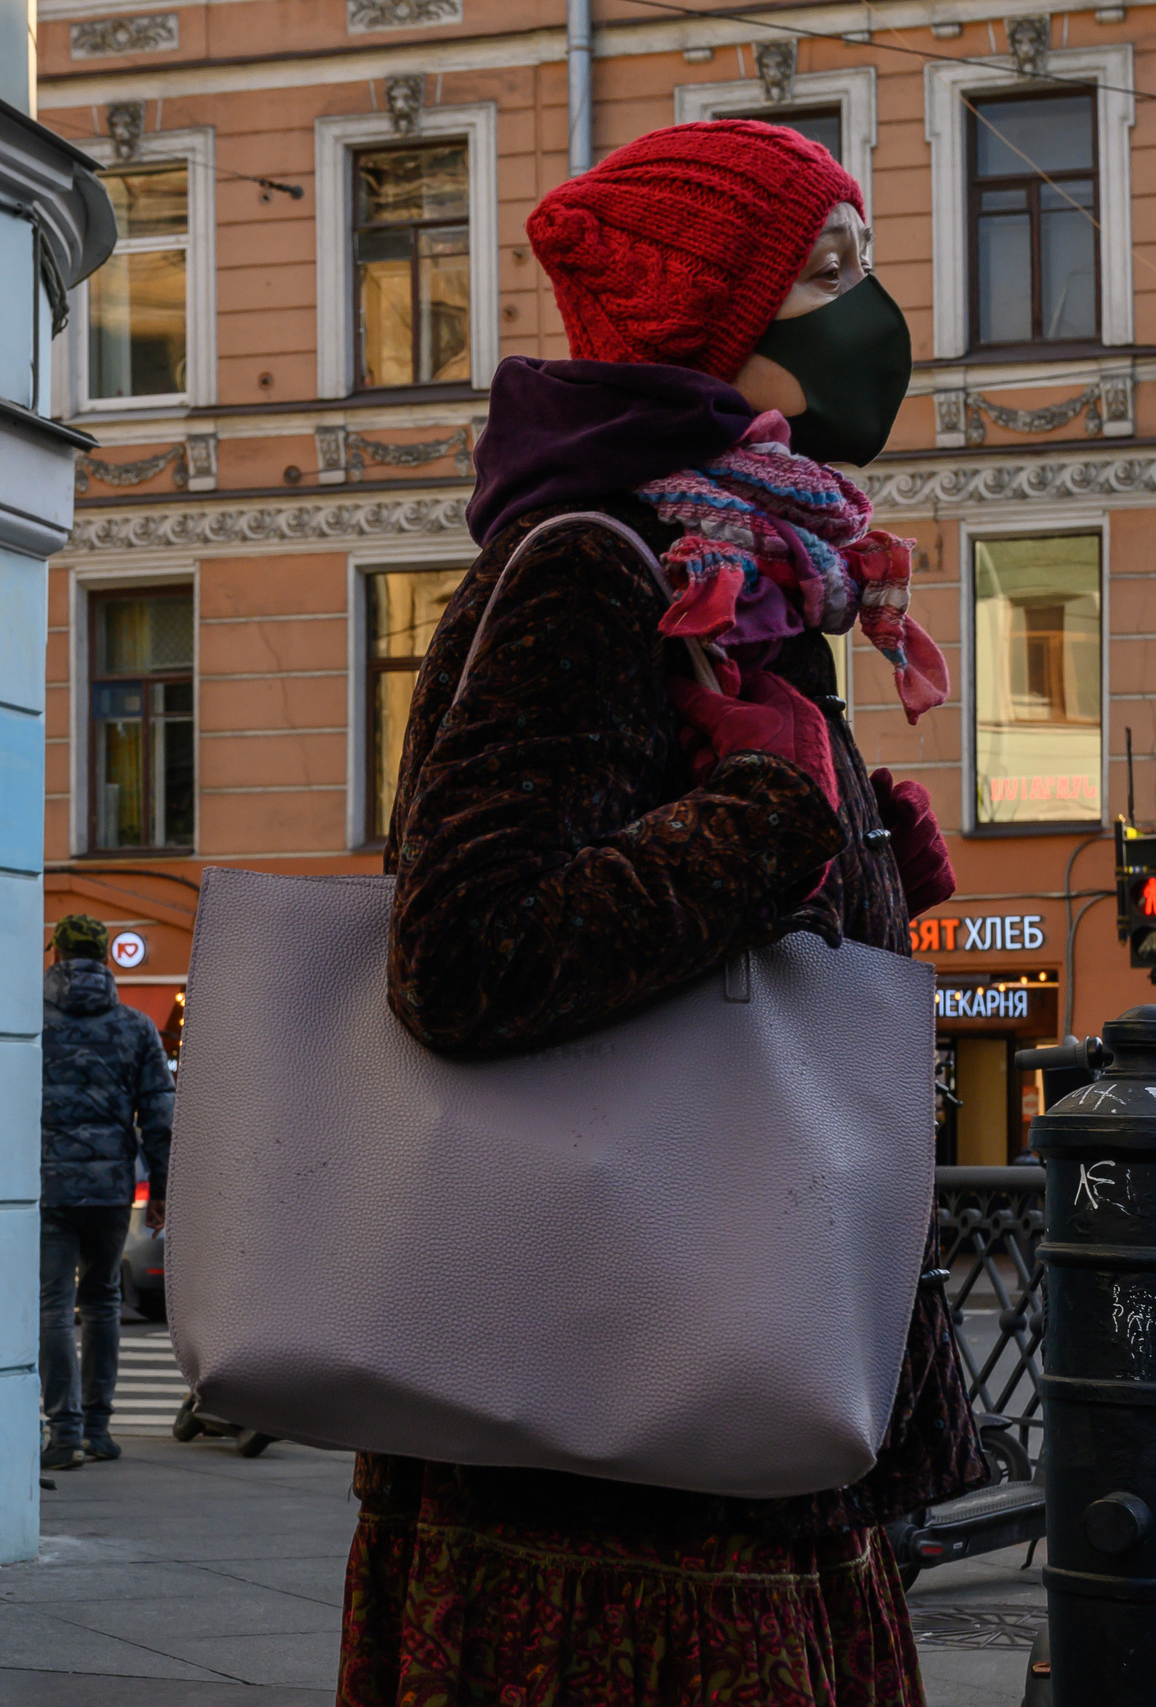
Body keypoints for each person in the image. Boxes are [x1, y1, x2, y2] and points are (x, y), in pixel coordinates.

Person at [337, 122, 984, 1707]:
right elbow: (468, 952)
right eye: (827, 275)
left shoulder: (746, 565)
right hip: (601, 1465)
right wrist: (769, 821)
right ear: (712, 320)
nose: (875, 312)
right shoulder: (592, 560)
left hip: (707, 1405)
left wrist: (850, 846)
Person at [40, 913, 174, 1471]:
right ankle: (99, 1426)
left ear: (57, 957)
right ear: (104, 960)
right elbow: (160, 1116)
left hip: (46, 1185)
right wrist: (162, 1187)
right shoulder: (136, 1027)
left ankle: (63, 1431)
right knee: (102, 1302)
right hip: (112, 1189)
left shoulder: (30, 1023)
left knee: (52, 1305)